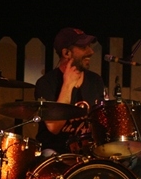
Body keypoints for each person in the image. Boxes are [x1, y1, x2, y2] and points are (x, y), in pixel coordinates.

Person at [34, 27, 105, 156]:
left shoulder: (96, 81)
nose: (91, 52)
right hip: (56, 152)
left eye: (89, 46)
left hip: (88, 151)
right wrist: (68, 84)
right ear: (66, 53)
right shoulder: (46, 83)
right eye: (84, 48)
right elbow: (54, 128)